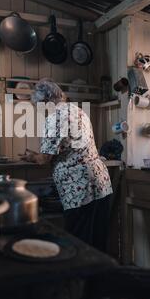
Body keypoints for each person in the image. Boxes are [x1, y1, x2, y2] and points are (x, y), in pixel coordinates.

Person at [21, 79, 113, 252]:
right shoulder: (77, 110)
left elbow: (44, 159)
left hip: (79, 189)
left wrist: (32, 157)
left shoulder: (54, 118)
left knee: (79, 244)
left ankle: (81, 279)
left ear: (44, 102)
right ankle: (99, 277)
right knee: (98, 244)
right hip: (100, 183)